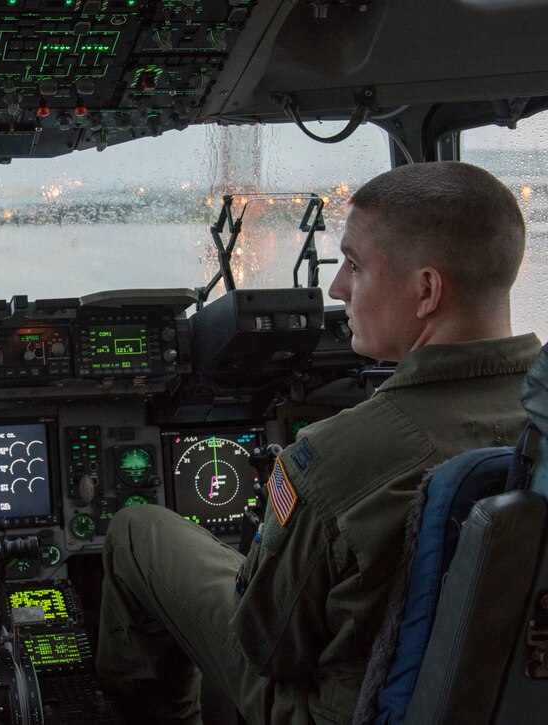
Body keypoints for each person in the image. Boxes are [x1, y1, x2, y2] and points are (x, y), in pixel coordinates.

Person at [95, 161, 542, 724]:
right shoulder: (540, 427)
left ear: (426, 290)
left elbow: (267, 644)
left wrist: (265, 554)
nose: (337, 288)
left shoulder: (337, 458)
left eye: (354, 265)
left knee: (138, 531)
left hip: (341, 713)